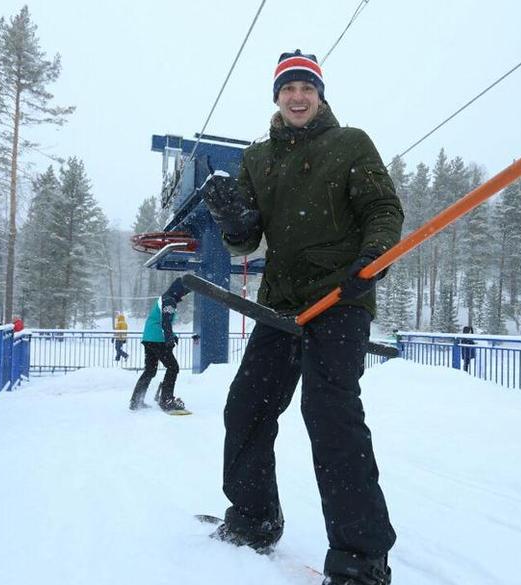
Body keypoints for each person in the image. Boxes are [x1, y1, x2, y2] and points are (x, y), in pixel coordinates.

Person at [201, 49, 403, 585]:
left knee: (329, 412)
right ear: (277, 96)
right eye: (288, 88)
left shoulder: (350, 143)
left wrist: (369, 261)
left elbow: (384, 209)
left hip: (340, 298)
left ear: (320, 94)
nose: (297, 96)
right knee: (246, 406)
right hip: (281, 302)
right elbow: (245, 241)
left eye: (306, 88)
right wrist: (231, 217)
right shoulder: (258, 158)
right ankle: (253, 518)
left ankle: (362, 560)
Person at [129, 280, 189, 412]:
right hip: (157, 339)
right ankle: (166, 400)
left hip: (149, 337)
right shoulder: (170, 301)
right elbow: (166, 321)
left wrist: (172, 335)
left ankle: (136, 401)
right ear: (178, 290)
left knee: (150, 370)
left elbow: (161, 319)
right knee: (173, 367)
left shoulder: (164, 298)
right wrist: (169, 339)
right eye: (184, 293)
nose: (183, 296)